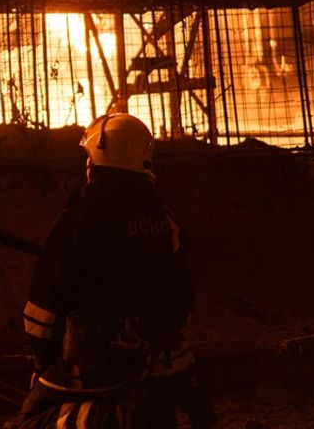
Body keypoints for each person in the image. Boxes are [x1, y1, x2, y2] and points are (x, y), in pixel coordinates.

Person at [19, 113, 214, 429]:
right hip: (155, 362)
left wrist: (43, 363)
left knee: (27, 421)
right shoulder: (167, 223)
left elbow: (41, 312)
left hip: (92, 364)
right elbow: (183, 301)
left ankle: (110, 418)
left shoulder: (77, 222)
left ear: (96, 161)